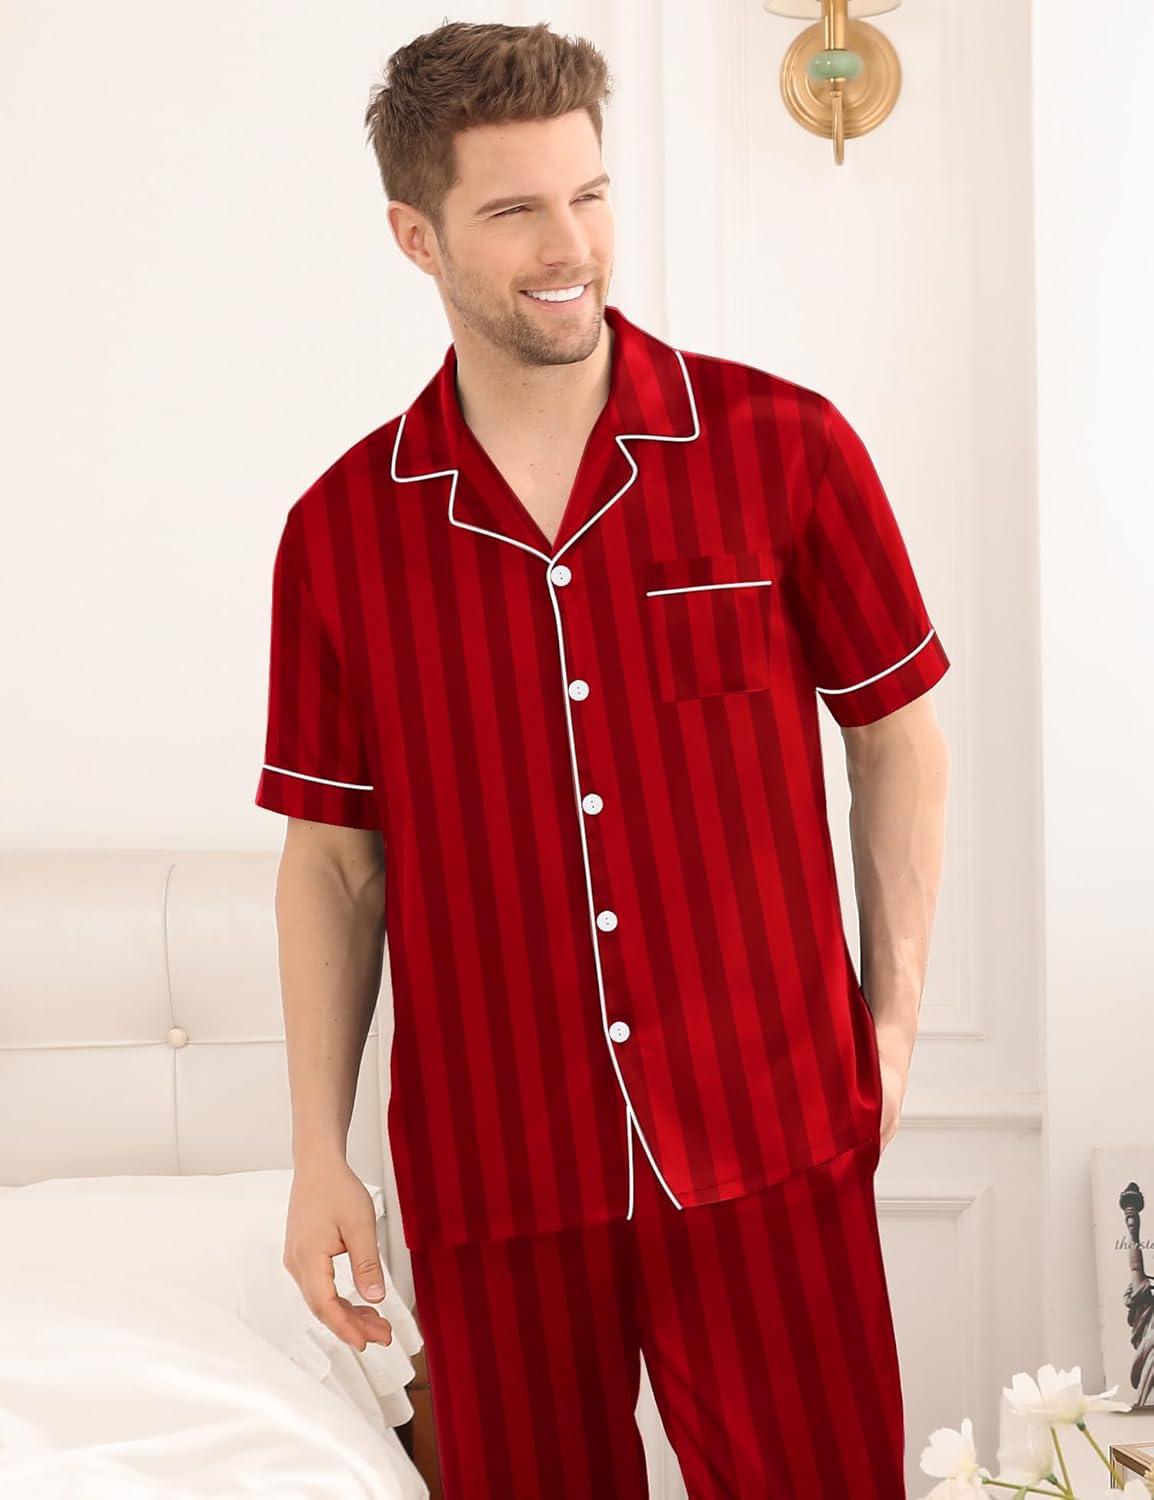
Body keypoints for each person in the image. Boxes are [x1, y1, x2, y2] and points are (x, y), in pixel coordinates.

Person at [257, 19, 951, 1499]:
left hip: (772, 1143)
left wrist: (889, 1027)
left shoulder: (785, 447)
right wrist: (319, 1153)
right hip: (494, 1174)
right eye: (515, 209)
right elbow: (333, 864)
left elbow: (897, 735)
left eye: (588, 194)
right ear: (417, 236)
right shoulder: (340, 534)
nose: (568, 244)